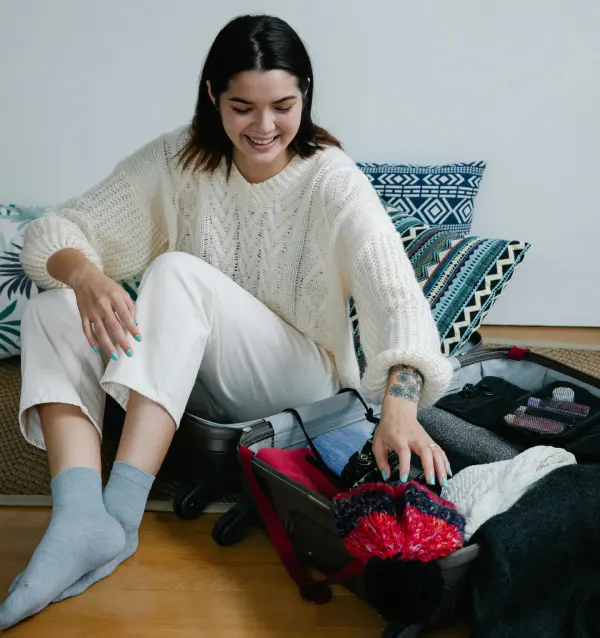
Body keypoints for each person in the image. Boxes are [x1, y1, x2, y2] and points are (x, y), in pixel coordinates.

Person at [0, 13, 453, 629]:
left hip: (304, 389)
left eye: (283, 105)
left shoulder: (332, 181)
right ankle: (79, 515)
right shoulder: (178, 159)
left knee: (175, 272)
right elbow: (52, 232)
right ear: (212, 95)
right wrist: (86, 276)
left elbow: (399, 300)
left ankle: (121, 511)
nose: (264, 127)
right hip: (200, 381)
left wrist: (400, 408)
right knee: (55, 296)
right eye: (243, 107)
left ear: (307, 94)